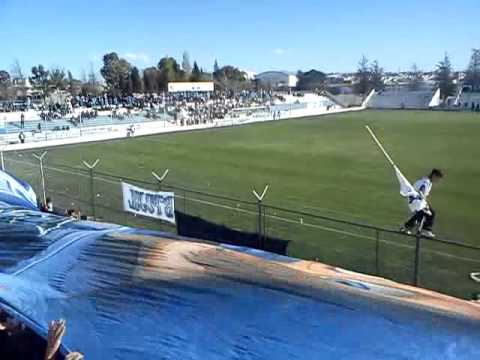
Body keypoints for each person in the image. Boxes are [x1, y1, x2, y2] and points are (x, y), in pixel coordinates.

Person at [400, 168, 444, 237]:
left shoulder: (429, 182)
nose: (437, 181)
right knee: (430, 212)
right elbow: (421, 191)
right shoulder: (425, 182)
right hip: (415, 200)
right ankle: (426, 230)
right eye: (437, 178)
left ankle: (405, 228)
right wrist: (425, 203)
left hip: (415, 200)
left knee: (420, 216)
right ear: (434, 176)